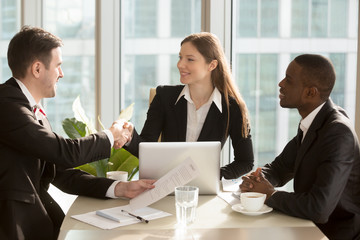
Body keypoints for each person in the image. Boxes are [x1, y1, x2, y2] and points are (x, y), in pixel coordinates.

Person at [0, 26, 155, 240]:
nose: (61, 74)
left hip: (36, 220)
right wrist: (111, 135)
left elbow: (61, 172)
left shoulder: (30, 110)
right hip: (12, 225)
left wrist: (120, 188)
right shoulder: (7, 105)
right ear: (37, 69)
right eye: (58, 66)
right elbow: (64, 152)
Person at [240, 54, 360, 240]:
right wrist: (256, 180)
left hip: (333, 234)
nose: (280, 83)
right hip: (308, 227)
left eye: (288, 80)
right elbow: (279, 168)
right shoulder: (314, 122)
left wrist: (269, 194)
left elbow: (319, 208)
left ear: (310, 93)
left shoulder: (337, 133)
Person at [125, 32, 254, 179]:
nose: (180, 64)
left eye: (190, 59)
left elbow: (245, 161)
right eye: (180, 57)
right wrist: (129, 137)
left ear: (212, 65)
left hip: (204, 191)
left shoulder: (233, 108)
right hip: (165, 186)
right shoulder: (164, 97)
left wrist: (213, 175)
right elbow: (146, 149)